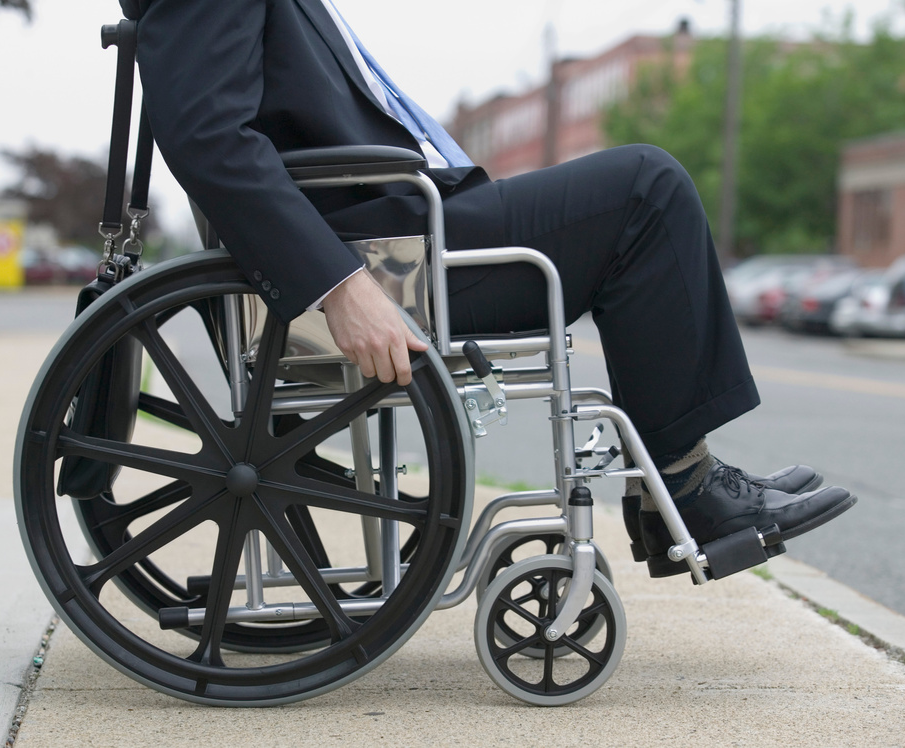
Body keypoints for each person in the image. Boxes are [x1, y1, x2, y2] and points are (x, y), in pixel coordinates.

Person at [125, 0, 856, 574]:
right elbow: (209, 139)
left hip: (397, 224)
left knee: (640, 190)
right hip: (379, 252)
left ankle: (675, 488)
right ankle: (685, 490)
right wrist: (341, 288)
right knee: (645, 189)